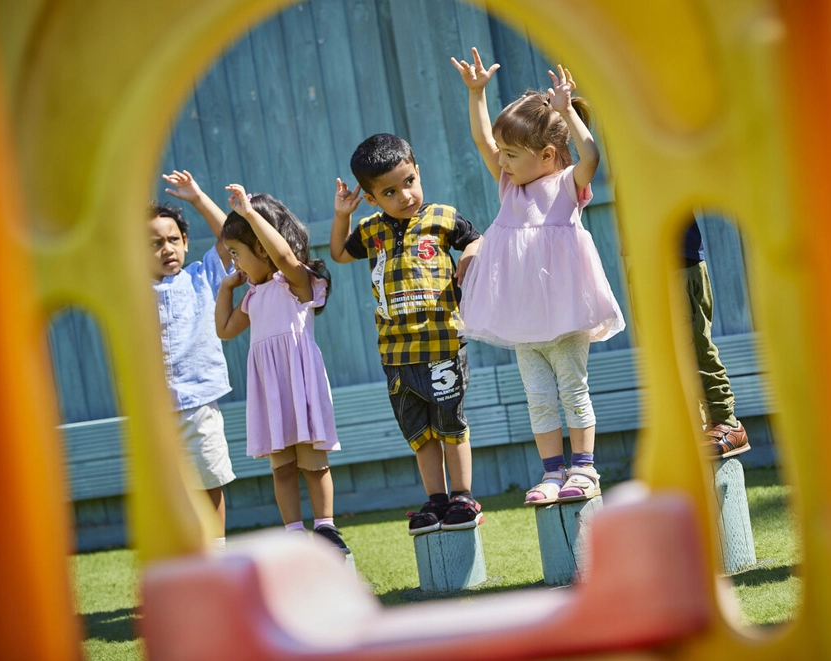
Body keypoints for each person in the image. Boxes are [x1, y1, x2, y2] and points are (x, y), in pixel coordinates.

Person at [451, 47, 625, 506]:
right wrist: (476, 94)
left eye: (512, 154)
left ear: (547, 154)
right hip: (523, 318)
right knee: (538, 396)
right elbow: (482, 141)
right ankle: (552, 472)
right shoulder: (509, 186)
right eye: (503, 154)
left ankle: (584, 468)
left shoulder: (567, 184)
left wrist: (567, 108)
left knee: (572, 386)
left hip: (564, 314)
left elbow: (591, 154)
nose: (502, 162)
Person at [329, 133, 485, 536]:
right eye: (390, 191)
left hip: (442, 343)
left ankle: (463, 496)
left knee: (450, 422)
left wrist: (467, 257)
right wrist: (342, 215)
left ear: (418, 172)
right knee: (419, 431)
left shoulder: (442, 217)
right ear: (371, 198)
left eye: (410, 181)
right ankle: (436, 498)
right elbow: (340, 254)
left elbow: (477, 239)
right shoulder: (369, 230)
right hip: (396, 352)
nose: (405, 195)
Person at [215, 183, 350, 555]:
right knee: (282, 467)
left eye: (237, 253)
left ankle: (325, 527)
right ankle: (293, 531)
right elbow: (224, 330)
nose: (235, 262)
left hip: (300, 385)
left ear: (261, 246)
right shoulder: (253, 295)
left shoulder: (296, 282)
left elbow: (285, 255)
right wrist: (227, 288)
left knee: (314, 464)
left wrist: (249, 214)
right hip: (271, 392)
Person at [150, 170, 236, 551]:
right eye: (154, 244)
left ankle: (216, 555)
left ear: (185, 242)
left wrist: (198, 198)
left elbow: (230, 238)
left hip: (199, 402)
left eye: (173, 239)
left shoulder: (202, 277)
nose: (167, 248)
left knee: (207, 481)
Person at [681, 215, 750, 458]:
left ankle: (726, 421)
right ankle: (695, 426)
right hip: (641, 257)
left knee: (694, 346)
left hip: (678, 258)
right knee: (668, 356)